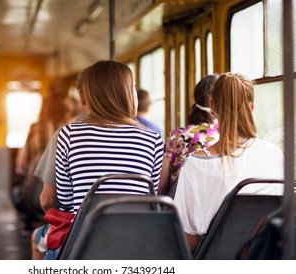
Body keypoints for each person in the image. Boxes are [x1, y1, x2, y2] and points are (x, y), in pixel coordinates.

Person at [31, 60, 164, 259]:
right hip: (136, 240)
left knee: (37, 239)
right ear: (128, 93)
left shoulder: (68, 134)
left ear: (90, 95)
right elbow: (150, 197)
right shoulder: (153, 138)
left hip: (84, 241)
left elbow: (66, 203)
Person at [172, 72, 284, 252]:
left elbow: (187, 240)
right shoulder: (275, 155)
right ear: (252, 107)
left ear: (212, 106)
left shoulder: (196, 165)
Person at [158, 74, 220, 195]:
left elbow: (162, 184)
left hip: (177, 204)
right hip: (216, 206)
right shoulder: (225, 136)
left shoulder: (176, 135)